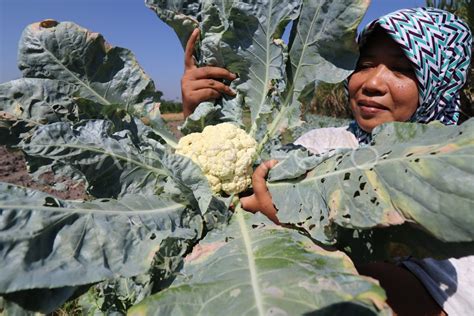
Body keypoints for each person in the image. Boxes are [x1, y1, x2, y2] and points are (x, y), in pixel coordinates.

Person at [181, 7, 473, 315]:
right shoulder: (322, 143)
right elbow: (231, 195)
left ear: (438, 83)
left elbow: (443, 306)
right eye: (366, 64)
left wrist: (301, 226)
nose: (372, 82)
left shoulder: (453, 167)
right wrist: (198, 117)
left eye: (401, 70)